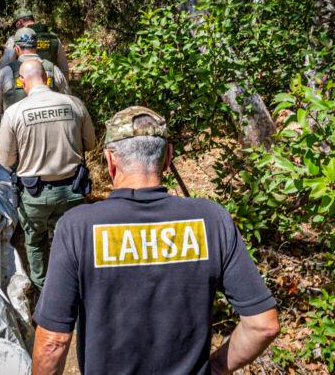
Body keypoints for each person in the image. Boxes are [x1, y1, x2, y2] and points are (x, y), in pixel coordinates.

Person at [31, 106, 280, 374]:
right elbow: (262, 324)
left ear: (110, 160)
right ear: (168, 157)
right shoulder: (211, 220)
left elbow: (53, 343)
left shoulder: (77, 227)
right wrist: (215, 368)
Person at [0, 60, 95, 291]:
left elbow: (6, 160)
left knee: (36, 243)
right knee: (72, 244)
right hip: (73, 190)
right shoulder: (74, 104)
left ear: (22, 82)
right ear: (47, 78)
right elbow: (90, 144)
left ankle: (43, 293)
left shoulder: (14, 113)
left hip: (35, 194)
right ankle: (76, 290)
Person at [0, 27, 69, 149]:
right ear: (36, 47)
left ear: (16, 49)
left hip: (17, 141)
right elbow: (68, 100)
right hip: (51, 140)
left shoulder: (5, 73)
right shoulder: (54, 70)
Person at [0, 8, 69, 79]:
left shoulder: (14, 39)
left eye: (15, 26)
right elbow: (64, 69)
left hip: (24, 86)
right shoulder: (54, 38)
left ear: (19, 23)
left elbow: (4, 69)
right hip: (49, 86)